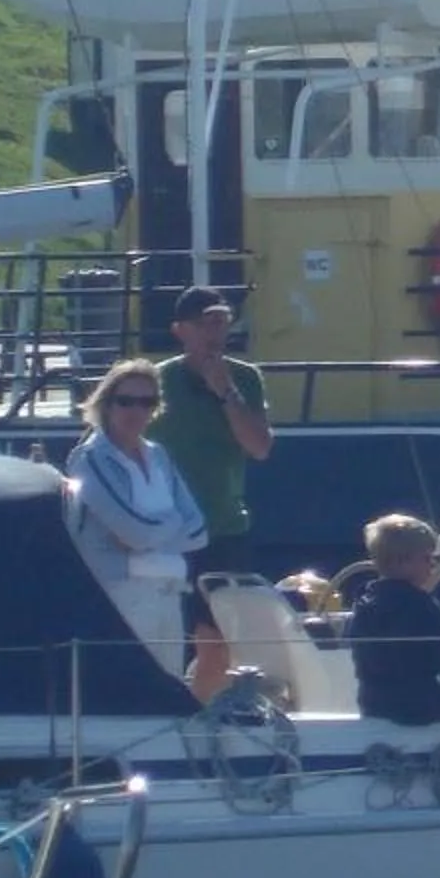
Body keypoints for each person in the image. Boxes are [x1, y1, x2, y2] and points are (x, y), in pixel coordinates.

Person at [65, 360, 208, 668]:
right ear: (106, 403)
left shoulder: (158, 455)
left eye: (147, 402)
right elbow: (136, 532)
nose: (136, 411)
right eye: (126, 401)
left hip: (169, 595)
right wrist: (165, 527)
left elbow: (199, 531)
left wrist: (149, 535)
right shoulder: (89, 459)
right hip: (121, 596)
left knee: (168, 696)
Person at [150, 285, 273, 633]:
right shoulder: (156, 380)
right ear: (180, 330)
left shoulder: (245, 378)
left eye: (222, 323)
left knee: (221, 638)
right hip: (165, 533)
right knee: (169, 634)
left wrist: (225, 392)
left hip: (223, 531)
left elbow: (260, 447)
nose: (215, 333)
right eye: (206, 324)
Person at [347, 514, 440, 725]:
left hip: (374, 708)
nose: (433, 566)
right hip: (420, 712)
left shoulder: (363, 606)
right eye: (429, 559)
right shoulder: (421, 607)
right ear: (403, 561)